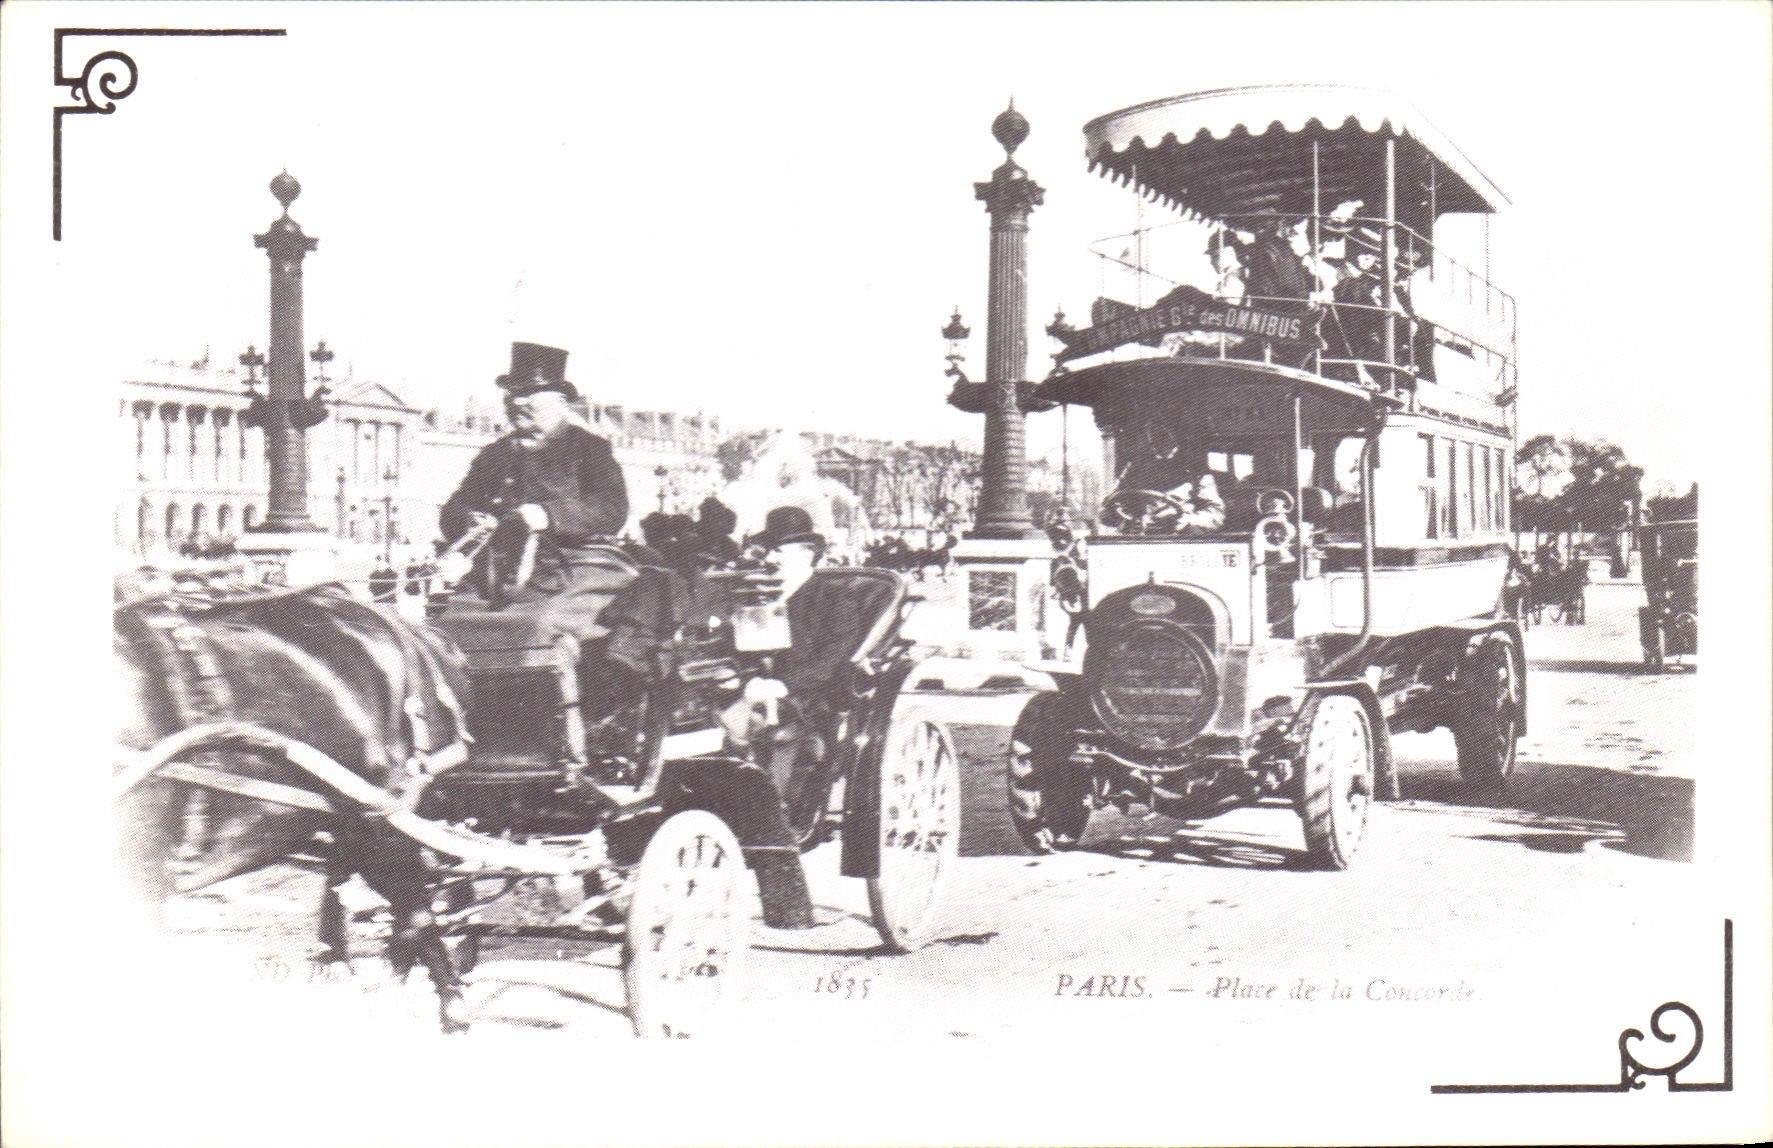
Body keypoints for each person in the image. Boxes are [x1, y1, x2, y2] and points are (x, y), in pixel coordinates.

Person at [437, 341, 632, 642]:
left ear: (558, 400)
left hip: (575, 567)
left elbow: (612, 508)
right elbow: (454, 509)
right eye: (512, 395)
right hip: (498, 571)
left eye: (528, 394)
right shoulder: (494, 454)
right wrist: (471, 521)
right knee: (450, 625)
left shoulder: (589, 448)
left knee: (536, 626)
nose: (516, 403)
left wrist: (548, 515)